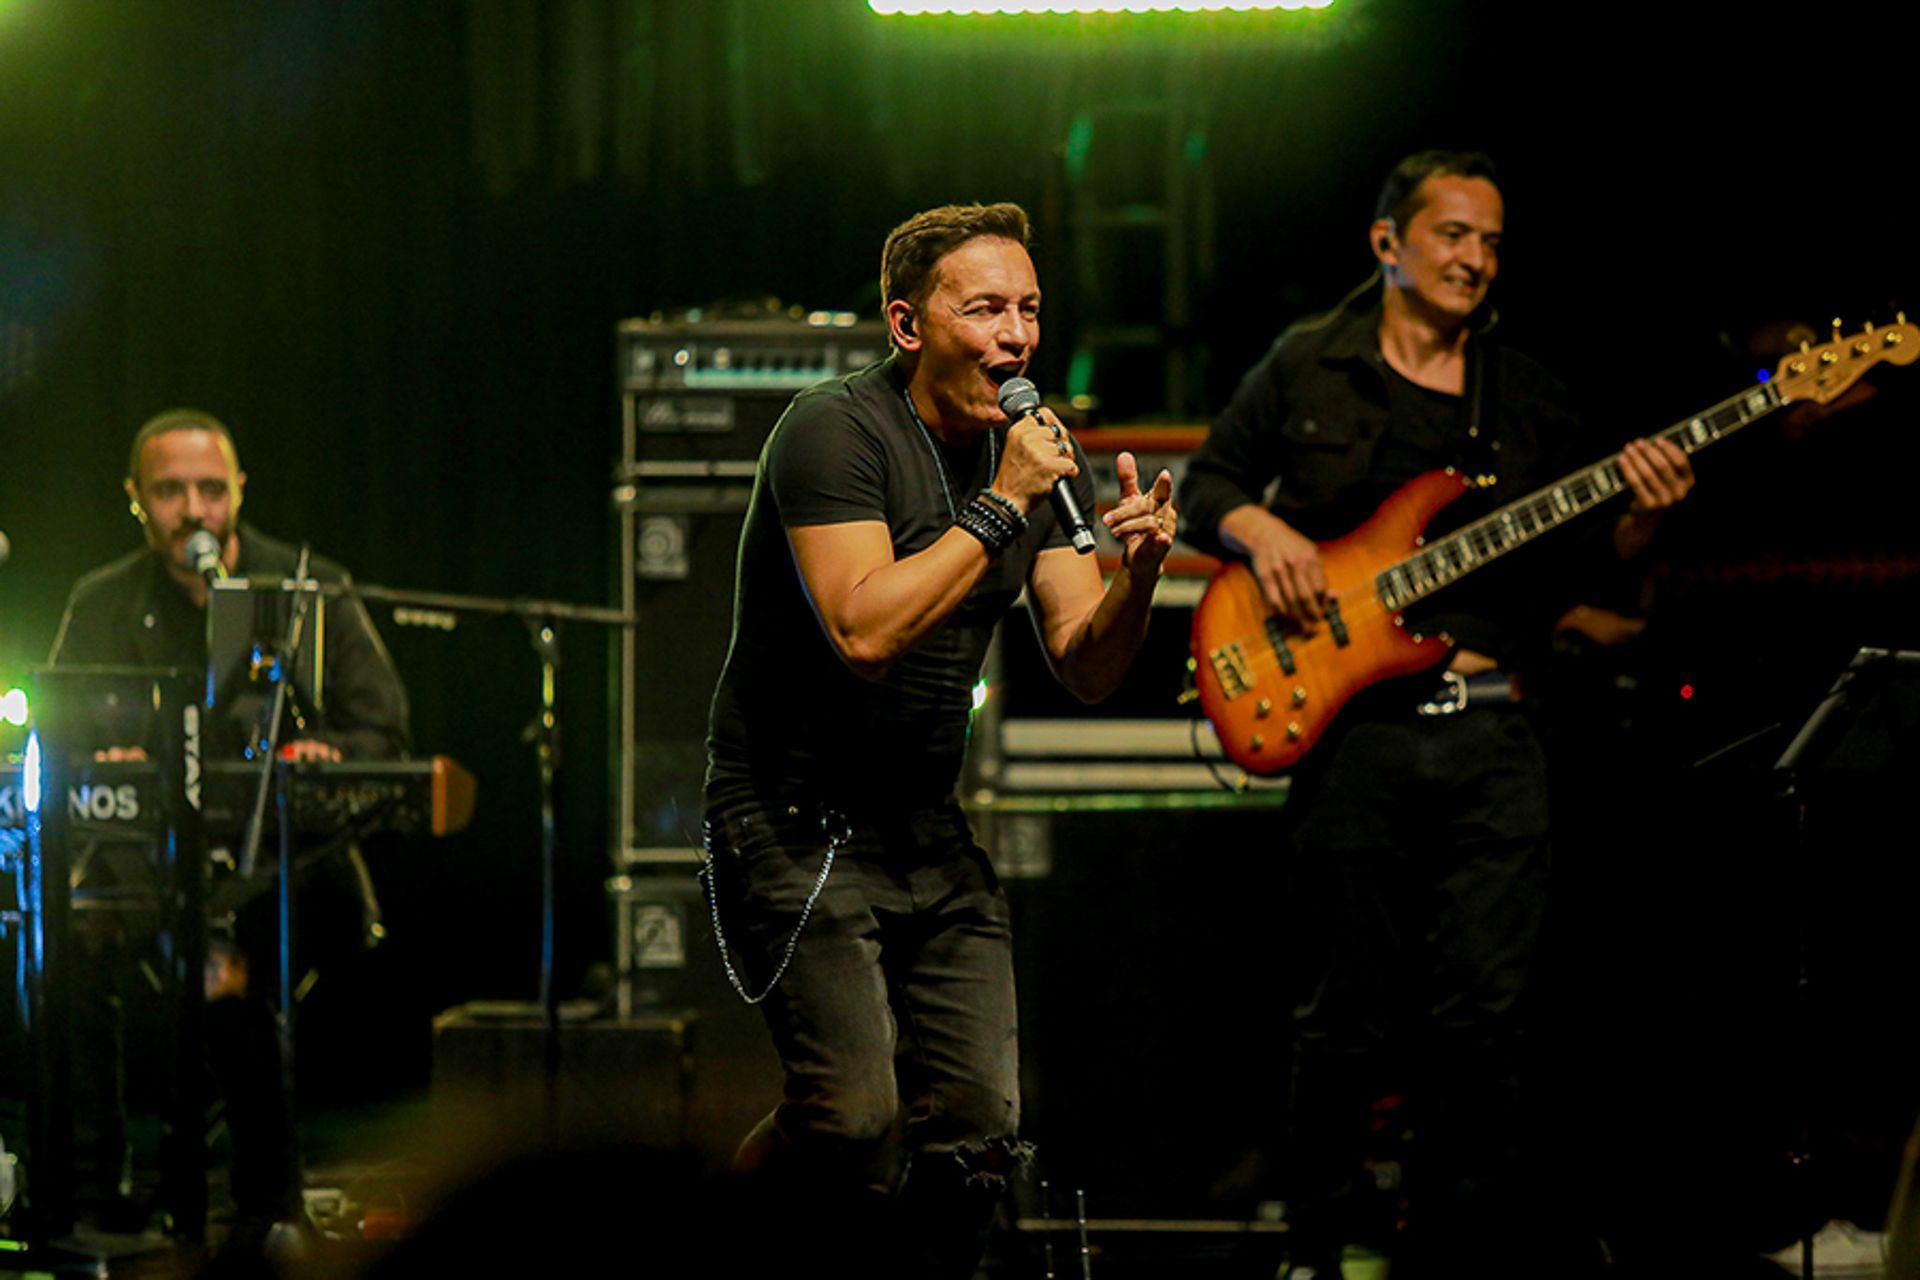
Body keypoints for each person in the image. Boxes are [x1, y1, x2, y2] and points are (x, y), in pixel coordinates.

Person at [1177, 152, 1695, 1278]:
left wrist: (1642, 522)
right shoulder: (1310, 363)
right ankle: (1316, 1244)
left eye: (1492, 241)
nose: (1475, 258)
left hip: (1495, 730)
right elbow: (1205, 484)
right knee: (1343, 1015)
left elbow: (1584, 568)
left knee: (1487, 1018)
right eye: (1455, 233)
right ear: (1389, 244)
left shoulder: (1529, 396)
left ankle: (1462, 1252)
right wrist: (1265, 536)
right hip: (1356, 730)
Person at [701, 202, 1177, 1278]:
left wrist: (1137, 576)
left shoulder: (1041, 461)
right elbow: (864, 627)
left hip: (926, 825)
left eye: (1029, 310)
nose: (1016, 336)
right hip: (790, 815)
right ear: (910, 325)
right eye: (987, 309)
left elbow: (1087, 662)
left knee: (973, 1134)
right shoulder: (834, 432)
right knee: (853, 1122)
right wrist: (1002, 505)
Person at [47, 407, 409, 1256]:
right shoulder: (102, 602)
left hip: (291, 865)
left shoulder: (312, 587)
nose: (194, 510)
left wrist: (320, 753)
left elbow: (384, 736)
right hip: (151, 865)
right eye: (170, 492)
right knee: (66, 946)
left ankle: (264, 1208)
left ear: (240, 491)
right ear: (137, 501)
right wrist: (107, 756)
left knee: (224, 966)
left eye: (211, 489)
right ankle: (97, 1196)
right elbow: (56, 739)